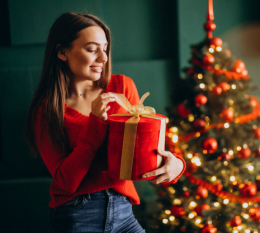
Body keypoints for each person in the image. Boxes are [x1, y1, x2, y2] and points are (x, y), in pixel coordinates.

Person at [24, 12, 185, 233]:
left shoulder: (122, 87)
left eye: (105, 48)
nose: (103, 58)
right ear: (62, 52)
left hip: (123, 211)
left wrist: (176, 164)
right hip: (77, 215)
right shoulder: (46, 110)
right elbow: (65, 182)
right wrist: (95, 123)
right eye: (92, 49)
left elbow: (145, 151)